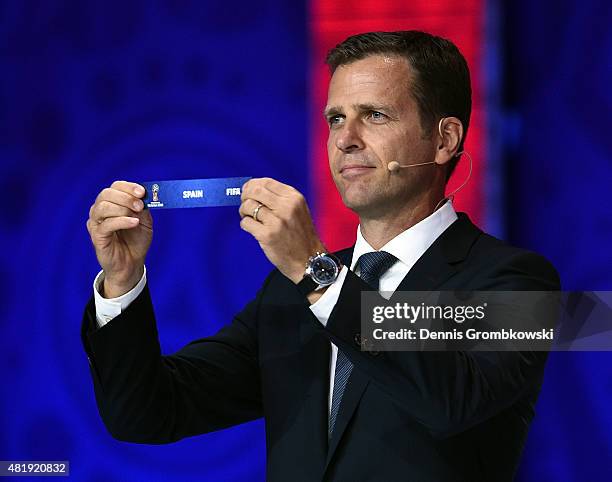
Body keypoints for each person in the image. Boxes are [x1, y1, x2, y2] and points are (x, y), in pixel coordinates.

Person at [82, 31, 560, 481]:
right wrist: (121, 283)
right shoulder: (289, 295)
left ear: (444, 140)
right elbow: (146, 415)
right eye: (335, 118)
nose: (345, 139)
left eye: (375, 115)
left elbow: (451, 401)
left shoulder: (518, 281)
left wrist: (316, 273)